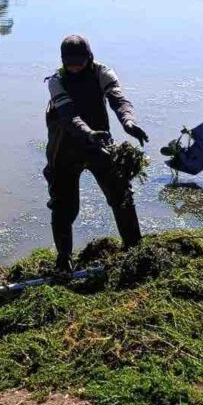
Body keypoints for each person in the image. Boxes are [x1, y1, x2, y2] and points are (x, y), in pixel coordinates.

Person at [44, 35, 149, 272]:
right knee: (64, 207)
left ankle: (134, 249)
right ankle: (64, 259)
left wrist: (128, 122)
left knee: (121, 194)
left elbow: (119, 100)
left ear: (89, 58)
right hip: (64, 149)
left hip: (100, 144)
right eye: (70, 64)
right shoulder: (56, 81)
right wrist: (88, 132)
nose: (74, 68)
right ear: (62, 61)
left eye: (79, 63)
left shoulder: (103, 73)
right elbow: (69, 115)